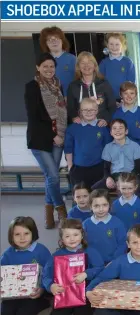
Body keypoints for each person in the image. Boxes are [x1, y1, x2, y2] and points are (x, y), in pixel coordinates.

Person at [25, 53, 70, 229]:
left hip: (59, 135)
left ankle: (48, 212)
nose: (49, 69)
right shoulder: (32, 86)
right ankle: (61, 209)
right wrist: (54, 135)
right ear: (38, 67)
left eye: (52, 66)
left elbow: (62, 111)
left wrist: (61, 133)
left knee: (49, 177)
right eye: (45, 66)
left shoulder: (58, 85)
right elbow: (35, 115)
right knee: (53, 175)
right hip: (40, 139)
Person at [42, 219, 104, 315]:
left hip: (84, 291)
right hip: (64, 293)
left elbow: (100, 268)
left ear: (82, 235)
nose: (72, 239)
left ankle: (85, 305)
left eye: (75, 234)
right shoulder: (57, 255)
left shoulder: (90, 251)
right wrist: (50, 286)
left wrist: (86, 274)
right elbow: (46, 274)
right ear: (62, 239)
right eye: (67, 236)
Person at [0, 217, 52, 315]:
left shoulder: (41, 250)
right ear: (11, 236)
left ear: (33, 233)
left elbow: (50, 271)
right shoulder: (7, 254)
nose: (22, 238)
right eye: (17, 234)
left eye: (26, 233)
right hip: (13, 292)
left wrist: (42, 289)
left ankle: (45, 301)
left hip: (36, 290)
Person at [65, 99, 112, 189]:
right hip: (78, 169)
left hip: (98, 168)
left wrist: (108, 169)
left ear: (97, 111)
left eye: (92, 110)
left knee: (98, 197)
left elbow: (108, 148)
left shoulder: (102, 127)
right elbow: (68, 149)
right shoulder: (72, 128)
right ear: (80, 111)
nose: (88, 112)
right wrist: (70, 167)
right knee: (80, 197)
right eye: (85, 110)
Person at [92, 119, 140, 191]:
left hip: (131, 175)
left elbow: (138, 167)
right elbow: (105, 168)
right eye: (114, 128)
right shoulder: (108, 147)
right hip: (114, 176)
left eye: (121, 128)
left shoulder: (135, 146)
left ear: (126, 131)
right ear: (110, 132)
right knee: (94, 189)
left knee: (138, 190)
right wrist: (108, 178)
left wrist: (126, 180)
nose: (117, 131)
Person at [66, 51, 116, 123]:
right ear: (78, 67)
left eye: (89, 62)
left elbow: (112, 106)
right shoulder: (73, 86)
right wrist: (74, 117)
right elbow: (71, 108)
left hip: (101, 125)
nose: (86, 65)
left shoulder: (104, 83)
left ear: (94, 65)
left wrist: (106, 120)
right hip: (82, 125)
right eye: (83, 63)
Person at [82, 189, 127, 264]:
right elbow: (82, 245)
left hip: (113, 262)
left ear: (109, 205)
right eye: (96, 206)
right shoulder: (85, 224)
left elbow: (123, 244)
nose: (101, 209)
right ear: (90, 207)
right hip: (92, 264)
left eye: (104, 205)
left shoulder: (118, 223)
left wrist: (114, 260)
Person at [112, 81, 140, 163]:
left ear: (136, 95)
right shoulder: (117, 114)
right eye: (125, 93)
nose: (129, 96)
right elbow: (116, 135)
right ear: (120, 95)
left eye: (132, 93)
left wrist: (124, 131)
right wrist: (136, 128)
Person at [39, 26, 76, 96]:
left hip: (70, 98)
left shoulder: (73, 59)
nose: (54, 42)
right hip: (49, 99)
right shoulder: (42, 60)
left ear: (62, 41)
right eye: (49, 40)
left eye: (56, 39)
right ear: (45, 43)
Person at [99, 33, 136, 101]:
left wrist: (125, 98)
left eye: (117, 44)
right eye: (111, 44)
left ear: (122, 45)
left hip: (125, 99)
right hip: (108, 99)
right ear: (107, 45)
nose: (114, 47)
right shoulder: (103, 63)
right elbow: (100, 83)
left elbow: (131, 83)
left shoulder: (128, 62)